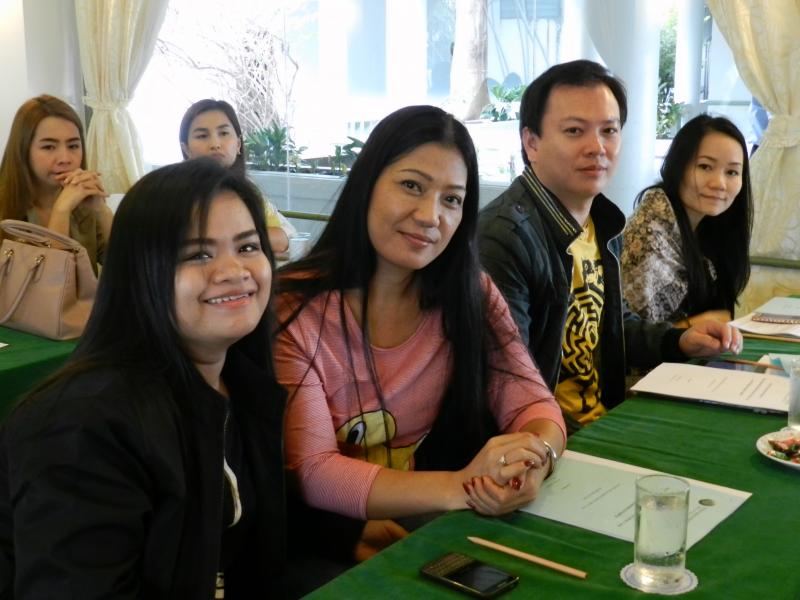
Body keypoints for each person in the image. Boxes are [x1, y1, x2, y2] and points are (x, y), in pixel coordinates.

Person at [274, 105, 565, 565]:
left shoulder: (470, 293)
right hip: (317, 542)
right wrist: (463, 486)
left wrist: (536, 457)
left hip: (419, 521)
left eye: (452, 199)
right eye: (411, 185)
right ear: (367, 183)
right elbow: (314, 470)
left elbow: (531, 401)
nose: (431, 216)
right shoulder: (294, 309)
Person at [0, 159, 287, 598]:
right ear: (139, 271)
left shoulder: (241, 383)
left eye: (248, 246)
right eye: (198, 254)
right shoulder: (83, 424)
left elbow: (235, 522)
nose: (234, 271)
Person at [477, 60, 743, 434]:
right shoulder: (504, 237)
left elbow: (612, 328)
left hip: (603, 419)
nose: (597, 147)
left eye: (609, 131)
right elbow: (508, 381)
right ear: (531, 142)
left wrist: (680, 340)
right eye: (574, 131)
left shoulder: (600, 222)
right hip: (551, 439)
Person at [622, 115, 752, 325]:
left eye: (732, 172)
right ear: (678, 166)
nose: (719, 183)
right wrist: (694, 326)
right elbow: (632, 333)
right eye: (705, 167)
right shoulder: (648, 233)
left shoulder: (713, 226)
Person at [0, 95, 111, 274]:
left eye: (73, 146)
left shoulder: (83, 204)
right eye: (49, 147)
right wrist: (61, 211)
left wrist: (102, 210)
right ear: (23, 151)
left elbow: (131, 266)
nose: (65, 159)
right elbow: (48, 282)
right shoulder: (5, 206)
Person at [179, 98, 297, 253]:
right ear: (186, 149)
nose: (215, 144)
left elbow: (284, 237)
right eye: (202, 136)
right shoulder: (174, 194)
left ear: (238, 144)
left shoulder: (249, 191)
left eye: (224, 133)